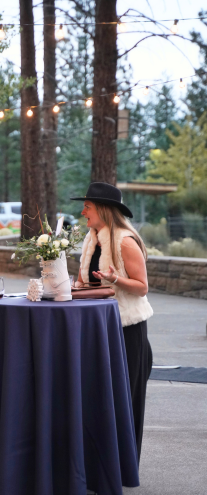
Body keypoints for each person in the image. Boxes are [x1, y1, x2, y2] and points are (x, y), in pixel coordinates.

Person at [72, 182, 153, 462]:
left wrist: (115, 278)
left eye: (87, 206)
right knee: (99, 401)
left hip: (127, 332)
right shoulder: (92, 238)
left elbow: (142, 287)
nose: (83, 211)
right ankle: (99, 467)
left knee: (124, 401)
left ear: (104, 210)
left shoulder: (125, 241)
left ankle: (123, 467)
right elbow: (86, 281)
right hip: (98, 328)